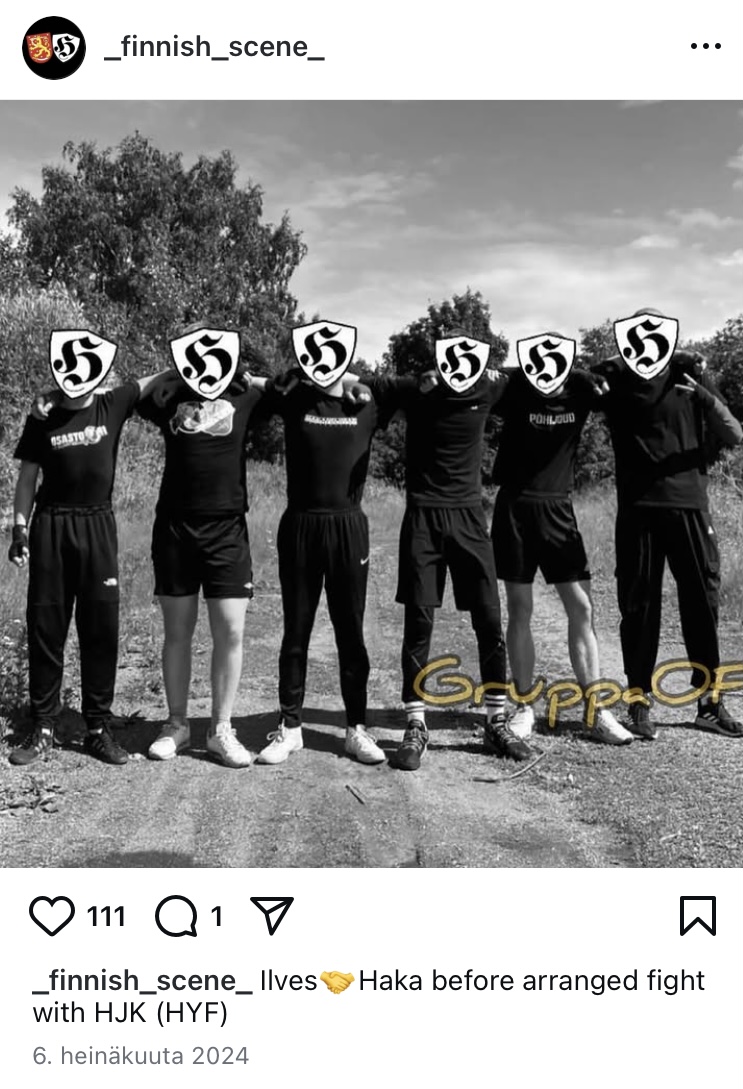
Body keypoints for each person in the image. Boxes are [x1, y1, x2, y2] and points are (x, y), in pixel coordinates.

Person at [366, 341, 534, 770]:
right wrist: (417, 379)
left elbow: (537, 372)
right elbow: (368, 384)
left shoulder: (489, 387)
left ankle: (496, 720)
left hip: (470, 518)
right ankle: (415, 724)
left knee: (489, 619)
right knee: (419, 622)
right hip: (423, 517)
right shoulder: (418, 389)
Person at [8, 366, 169, 766]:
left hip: (97, 524)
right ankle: (44, 726)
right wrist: (19, 530)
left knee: (101, 628)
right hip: (52, 524)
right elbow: (27, 479)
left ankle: (97, 727)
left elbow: (157, 378)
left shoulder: (112, 403)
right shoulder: (43, 415)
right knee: (46, 627)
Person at [595, 337, 743, 739]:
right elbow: (589, 374)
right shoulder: (617, 381)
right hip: (637, 511)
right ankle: (639, 701)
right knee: (639, 607)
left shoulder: (689, 376)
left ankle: (709, 704)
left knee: (702, 602)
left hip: (689, 506)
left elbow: (734, 433)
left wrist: (702, 389)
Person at [253, 368, 399, 766]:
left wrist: (352, 381)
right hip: (300, 525)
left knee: (350, 633)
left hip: (348, 527)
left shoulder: (366, 403)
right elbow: (251, 380)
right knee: (295, 632)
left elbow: (401, 385)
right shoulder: (295, 398)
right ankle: (290, 728)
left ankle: (356, 729)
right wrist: (301, 374)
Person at [136, 355, 269, 768]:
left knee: (230, 630)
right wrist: (172, 373)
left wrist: (249, 377)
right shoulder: (170, 395)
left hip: (226, 531)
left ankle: (220, 729)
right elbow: (129, 393)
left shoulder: (244, 394)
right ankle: (176, 724)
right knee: (177, 631)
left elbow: (291, 389)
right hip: (174, 529)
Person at [490, 361, 634, 744]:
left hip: (558, 508)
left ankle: (596, 711)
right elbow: (492, 374)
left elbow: (621, 375)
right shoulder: (517, 391)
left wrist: (581, 375)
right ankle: (524, 707)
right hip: (515, 507)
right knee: (520, 607)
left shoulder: (581, 393)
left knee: (582, 608)